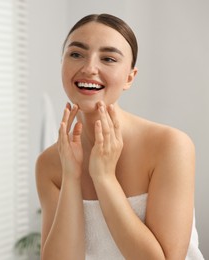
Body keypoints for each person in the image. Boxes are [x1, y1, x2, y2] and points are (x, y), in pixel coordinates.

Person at [36, 13, 204, 259]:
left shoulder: (170, 146)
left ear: (129, 77)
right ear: (62, 63)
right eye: (76, 54)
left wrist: (104, 177)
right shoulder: (50, 164)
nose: (89, 67)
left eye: (108, 58)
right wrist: (71, 176)